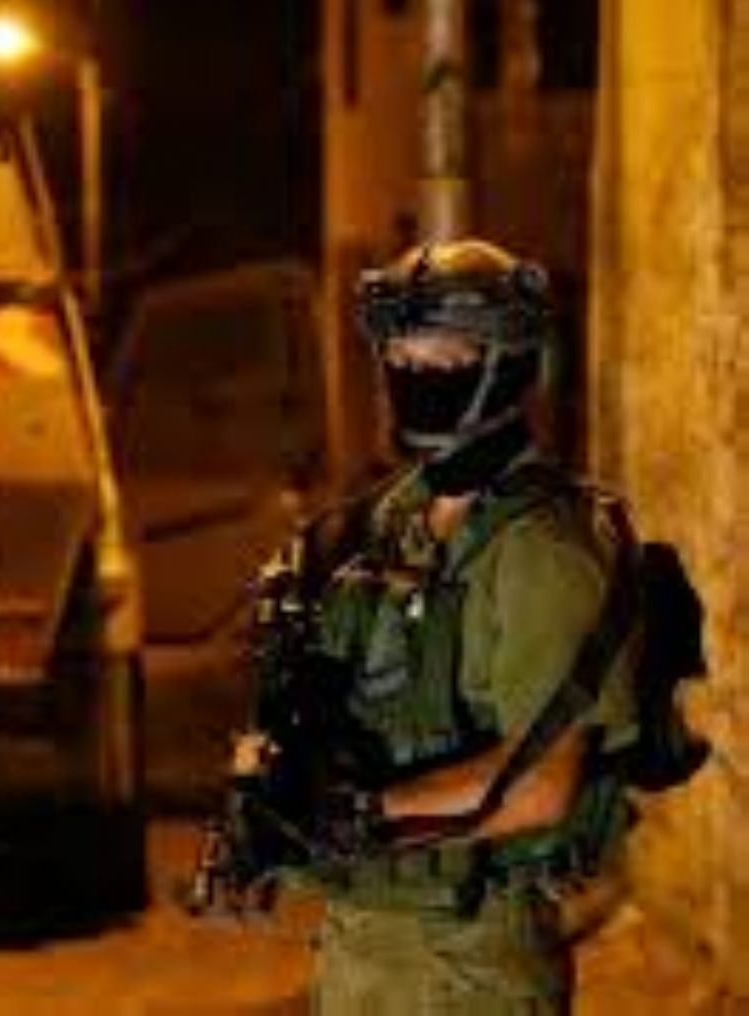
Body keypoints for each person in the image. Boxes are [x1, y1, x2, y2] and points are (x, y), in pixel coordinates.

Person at [254, 239, 642, 1014]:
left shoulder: (543, 550)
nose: (415, 377)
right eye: (400, 357)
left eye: (446, 359)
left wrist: (366, 811)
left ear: (510, 363)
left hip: (469, 957)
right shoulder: (390, 521)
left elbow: (542, 786)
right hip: (360, 943)